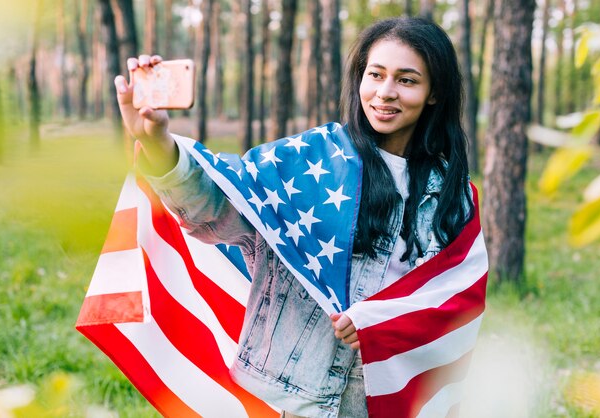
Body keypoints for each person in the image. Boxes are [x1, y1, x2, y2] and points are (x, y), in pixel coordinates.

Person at [114, 16, 475, 418]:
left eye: (406, 80)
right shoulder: (313, 158)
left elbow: (456, 300)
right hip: (302, 398)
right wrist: (157, 142)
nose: (385, 93)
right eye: (375, 75)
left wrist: (381, 322)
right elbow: (217, 203)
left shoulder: (452, 194)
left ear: (434, 93)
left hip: (391, 401)